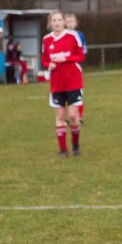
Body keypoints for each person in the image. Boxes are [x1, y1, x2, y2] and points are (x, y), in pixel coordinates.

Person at [41, 12, 85, 157]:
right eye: (54, 20)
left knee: (73, 116)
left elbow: (80, 56)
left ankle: (76, 145)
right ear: (50, 23)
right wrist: (50, 64)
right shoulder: (46, 40)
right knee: (60, 116)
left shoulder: (72, 36)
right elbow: (44, 60)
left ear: (64, 22)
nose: (57, 22)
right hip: (57, 83)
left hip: (73, 81)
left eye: (59, 20)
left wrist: (65, 58)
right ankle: (63, 150)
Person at [64, 14, 87, 121]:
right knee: (65, 92)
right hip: (63, 69)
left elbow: (84, 50)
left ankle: (79, 116)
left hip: (75, 67)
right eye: (68, 21)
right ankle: (68, 116)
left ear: (76, 23)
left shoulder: (80, 35)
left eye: (72, 21)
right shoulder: (61, 35)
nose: (70, 24)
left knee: (78, 91)